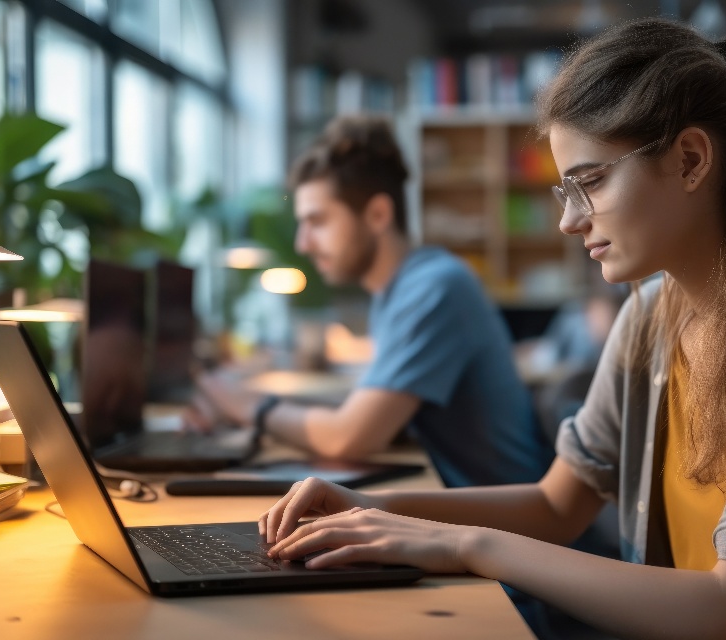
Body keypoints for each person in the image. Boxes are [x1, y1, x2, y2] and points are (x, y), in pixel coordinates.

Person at [255, 18, 726, 639]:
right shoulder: (651, 315)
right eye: (566, 191)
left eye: (589, 183)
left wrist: (464, 544)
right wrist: (375, 509)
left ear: (690, 161)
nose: (568, 220)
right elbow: (558, 503)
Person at [187, 116, 552, 490]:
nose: (302, 243)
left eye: (318, 221)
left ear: (378, 214)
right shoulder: (398, 291)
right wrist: (250, 405)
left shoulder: (435, 288)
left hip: (512, 527)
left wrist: (249, 407)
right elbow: (363, 406)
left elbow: (351, 435)